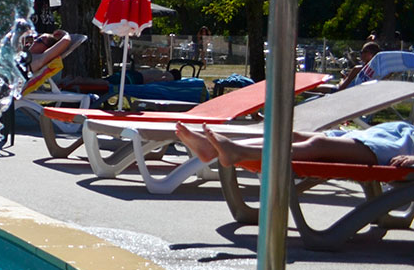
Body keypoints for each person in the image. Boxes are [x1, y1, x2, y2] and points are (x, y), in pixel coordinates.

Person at [173, 121, 414, 170]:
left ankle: (236, 152)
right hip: (391, 133)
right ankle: (214, 149)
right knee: (295, 135)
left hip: (400, 146)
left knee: (319, 145)